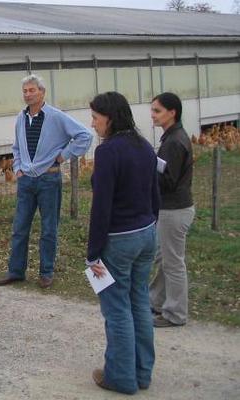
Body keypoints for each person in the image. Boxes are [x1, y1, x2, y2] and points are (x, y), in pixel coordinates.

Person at [86, 91, 160, 394]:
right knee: (139, 302)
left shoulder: (107, 152)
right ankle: (142, 373)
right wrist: (150, 222)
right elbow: (154, 192)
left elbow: (101, 205)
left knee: (117, 309)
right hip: (146, 232)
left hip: (118, 239)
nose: (92, 124)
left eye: (95, 118)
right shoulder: (144, 145)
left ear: (110, 118)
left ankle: (120, 377)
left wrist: (93, 253)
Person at [0, 74, 92, 288]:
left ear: (42, 92)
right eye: (25, 91)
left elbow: (85, 136)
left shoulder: (56, 116)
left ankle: (46, 272)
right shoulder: (21, 118)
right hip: (26, 181)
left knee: (49, 228)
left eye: (32, 90)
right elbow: (17, 147)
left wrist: (63, 156)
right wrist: (18, 168)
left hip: (49, 179)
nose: (28, 94)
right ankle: (16, 271)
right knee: (19, 227)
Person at [149, 92, 195, 328]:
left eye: (157, 111)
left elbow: (168, 180)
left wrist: (147, 170)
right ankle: (156, 301)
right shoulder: (172, 138)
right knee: (164, 258)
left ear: (172, 112)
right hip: (170, 208)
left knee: (173, 262)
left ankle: (175, 313)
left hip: (174, 210)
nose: (153, 115)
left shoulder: (174, 142)